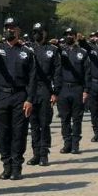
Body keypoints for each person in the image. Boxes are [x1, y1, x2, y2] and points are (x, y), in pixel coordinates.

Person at [0, 18, 36, 180]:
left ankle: (16, 166)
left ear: (18, 31)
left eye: (13, 28)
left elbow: (33, 78)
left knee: (19, 133)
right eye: (7, 28)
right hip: (1, 96)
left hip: (20, 96)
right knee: (2, 133)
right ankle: (6, 165)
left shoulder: (27, 52)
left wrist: (30, 99)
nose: (9, 31)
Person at [28, 23, 62, 166]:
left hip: (45, 89)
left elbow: (57, 72)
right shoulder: (28, 49)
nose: (37, 34)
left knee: (44, 123)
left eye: (39, 32)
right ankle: (35, 153)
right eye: (34, 31)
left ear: (45, 33)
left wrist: (55, 92)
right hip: (31, 90)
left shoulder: (53, 50)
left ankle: (44, 154)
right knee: (33, 124)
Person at [58, 28, 91, 155]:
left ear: (75, 36)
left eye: (71, 34)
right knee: (64, 118)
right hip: (63, 89)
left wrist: (86, 90)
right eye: (67, 35)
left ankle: (75, 144)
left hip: (77, 88)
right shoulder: (60, 51)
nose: (69, 37)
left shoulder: (82, 52)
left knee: (77, 118)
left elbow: (87, 72)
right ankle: (67, 143)